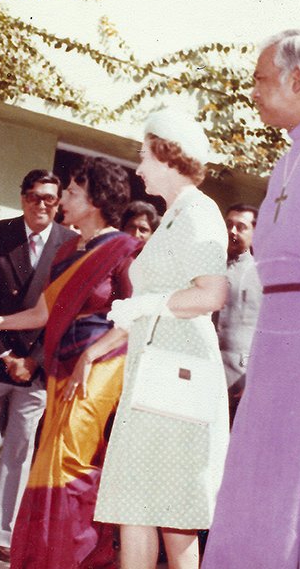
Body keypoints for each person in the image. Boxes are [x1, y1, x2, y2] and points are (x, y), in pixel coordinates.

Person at [204, 28, 300, 569]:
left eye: (262, 80)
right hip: (279, 334)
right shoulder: (289, 156)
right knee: (263, 473)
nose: (254, 91)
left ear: (297, 79)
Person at [0, 157, 138, 568]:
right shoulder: (67, 251)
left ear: (94, 200)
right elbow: (42, 313)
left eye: (73, 193)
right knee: (49, 465)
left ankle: (79, 558)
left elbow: (137, 316)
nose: (64, 201)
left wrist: (92, 356)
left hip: (100, 367)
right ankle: (44, 557)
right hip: (61, 371)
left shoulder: (125, 249)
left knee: (72, 462)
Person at [92, 110, 229, 569]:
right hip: (151, 373)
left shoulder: (200, 212)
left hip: (177, 379)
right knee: (135, 502)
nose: (138, 167)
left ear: (170, 157)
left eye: (145, 155)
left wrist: (149, 305)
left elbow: (212, 291)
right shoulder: (176, 216)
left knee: (172, 510)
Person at [0, 169, 74, 562]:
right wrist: (6, 356)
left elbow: (67, 313)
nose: (41, 205)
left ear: (58, 201)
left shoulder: (70, 244)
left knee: (18, 453)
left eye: (49, 198)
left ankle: (2, 533)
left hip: (38, 367)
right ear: (22, 197)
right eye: (33, 196)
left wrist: (34, 361)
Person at [215, 203, 261, 420]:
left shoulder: (262, 274)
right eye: (228, 225)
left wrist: (255, 380)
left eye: (240, 227)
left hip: (239, 376)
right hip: (203, 366)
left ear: (255, 233)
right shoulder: (209, 266)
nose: (231, 231)